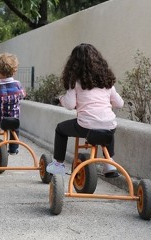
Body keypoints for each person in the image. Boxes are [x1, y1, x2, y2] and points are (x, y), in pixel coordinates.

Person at [46, 43, 124, 178]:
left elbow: (70, 104)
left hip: (85, 127)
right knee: (107, 125)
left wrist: (60, 99)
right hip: (109, 127)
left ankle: (58, 165)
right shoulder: (106, 82)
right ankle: (109, 163)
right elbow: (119, 103)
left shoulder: (75, 81)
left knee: (60, 129)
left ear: (73, 64)